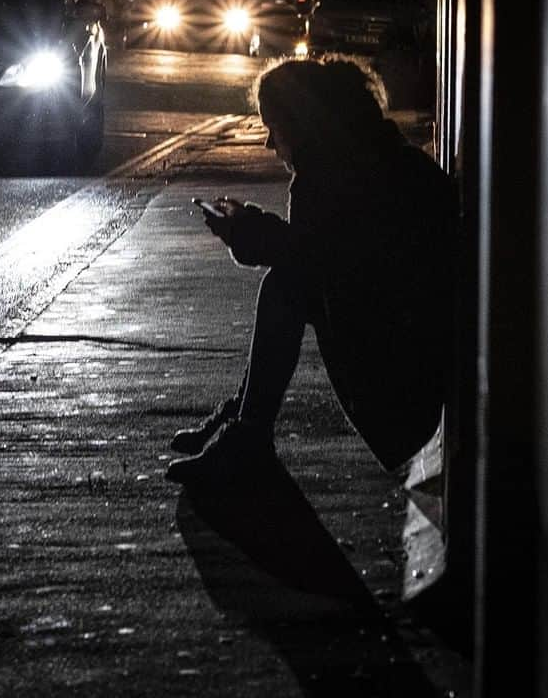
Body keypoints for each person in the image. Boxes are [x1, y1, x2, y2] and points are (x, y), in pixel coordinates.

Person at [165, 57, 456, 484]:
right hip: (426, 362)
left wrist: (246, 230)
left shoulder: (333, 176)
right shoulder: (381, 158)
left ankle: (249, 433)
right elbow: (331, 256)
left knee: (286, 286)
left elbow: (316, 262)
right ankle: (245, 420)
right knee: (289, 279)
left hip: (408, 387)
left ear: (301, 124)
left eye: (273, 128)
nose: (269, 143)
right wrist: (253, 230)